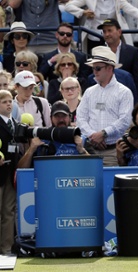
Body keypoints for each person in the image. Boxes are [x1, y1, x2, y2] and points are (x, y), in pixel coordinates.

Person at [76, 46, 134, 166]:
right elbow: (80, 118)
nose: (94, 71)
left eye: (98, 68)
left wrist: (102, 134)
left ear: (109, 68)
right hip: (89, 150)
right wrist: (93, 136)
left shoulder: (124, 92)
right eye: (93, 68)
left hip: (113, 151)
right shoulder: (89, 92)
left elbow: (125, 121)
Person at [17, 101, 89, 169]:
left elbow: (94, 167)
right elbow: (21, 170)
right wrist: (31, 150)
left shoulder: (82, 139)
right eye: (57, 116)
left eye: (64, 116)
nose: (61, 120)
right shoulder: (41, 140)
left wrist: (82, 150)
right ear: (51, 118)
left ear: (70, 117)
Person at [64, 0, 138, 53]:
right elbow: (68, 6)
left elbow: (129, 8)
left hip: (112, 36)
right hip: (94, 34)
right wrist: (83, 12)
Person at [97, 18, 138, 100]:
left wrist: (137, 103)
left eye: (109, 30)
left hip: (126, 97)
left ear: (119, 32)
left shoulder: (132, 52)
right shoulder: (97, 52)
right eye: (104, 31)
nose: (107, 34)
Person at [0, 89, 20, 255]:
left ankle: (6, 248)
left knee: (9, 212)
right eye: (4, 102)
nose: (8, 104)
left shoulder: (14, 122)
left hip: (11, 174)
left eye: (10, 101)